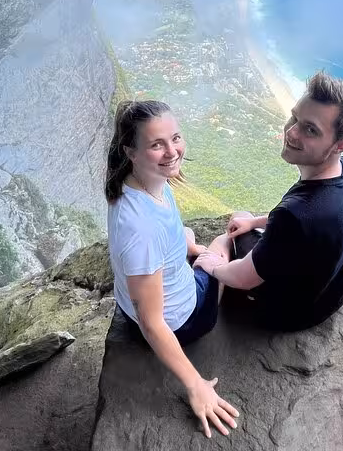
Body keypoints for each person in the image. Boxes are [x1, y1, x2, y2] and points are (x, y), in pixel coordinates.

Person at [194, 71, 343, 331]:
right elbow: (300, 225)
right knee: (244, 219)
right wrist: (255, 221)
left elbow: (243, 277)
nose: (292, 131)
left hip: (285, 315)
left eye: (310, 129)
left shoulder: (297, 215)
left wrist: (216, 266)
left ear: (339, 146)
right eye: (295, 117)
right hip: (329, 298)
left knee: (224, 239)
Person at [105, 100, 238, 438]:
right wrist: (195, 384)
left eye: (175, 138)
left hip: (151, 295)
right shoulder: (141, 230)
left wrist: (186, 246)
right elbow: (152, 323)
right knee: (225, 243)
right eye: (156, 144)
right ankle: (212, 255)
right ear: (130, 152)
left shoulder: (138, 183)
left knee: (191, 239)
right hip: (184, 319)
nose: (172, 151)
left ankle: (195, 249)